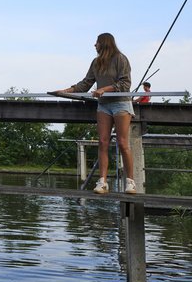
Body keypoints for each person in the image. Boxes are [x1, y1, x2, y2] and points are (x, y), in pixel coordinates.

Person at [53, 33, 137, 194]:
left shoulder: (120, 58)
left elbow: (125, 83)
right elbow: (85, 84)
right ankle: (102, 182)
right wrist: (65, 91)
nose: (94, 45)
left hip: (120, 103)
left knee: (122, 142)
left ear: (104, 43)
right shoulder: (96, 62)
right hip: (104, 105)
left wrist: (104, 89)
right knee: (103, 141)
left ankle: (130, 182)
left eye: (97, 42)